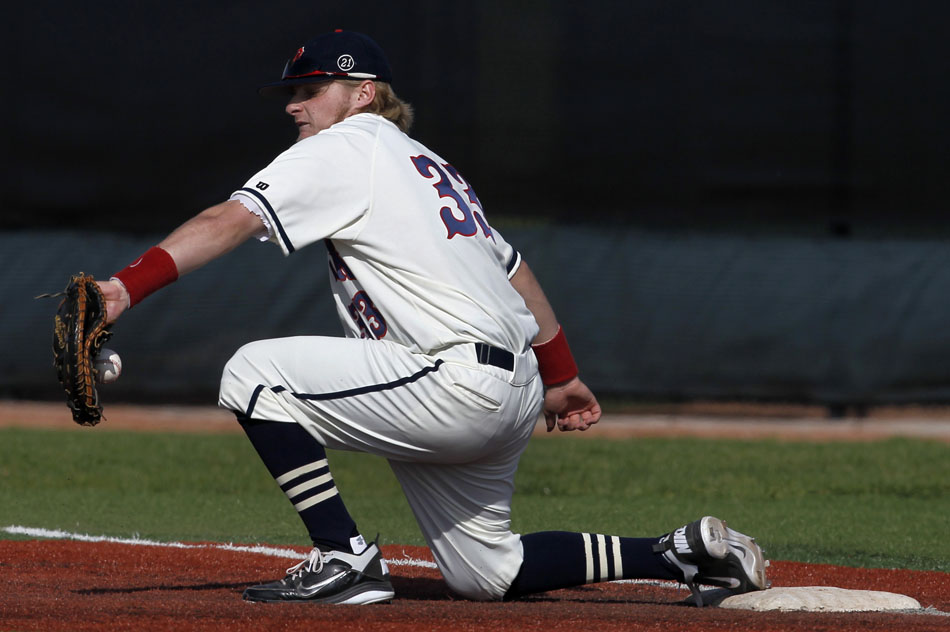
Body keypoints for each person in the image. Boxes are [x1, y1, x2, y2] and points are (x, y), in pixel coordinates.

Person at [98, 30, 768, 606]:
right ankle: (681, 554)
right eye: (291, 94)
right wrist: (561, 374)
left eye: (311, 88)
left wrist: (124, 290)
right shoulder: (430, 165)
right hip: (508, 387)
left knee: (254, 374)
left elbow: (229, 220)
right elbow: (514, 271)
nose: (295, 104)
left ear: (362, 93)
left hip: (449, 380)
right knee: (488, 572)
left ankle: (343, 558)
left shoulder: (347, 146)